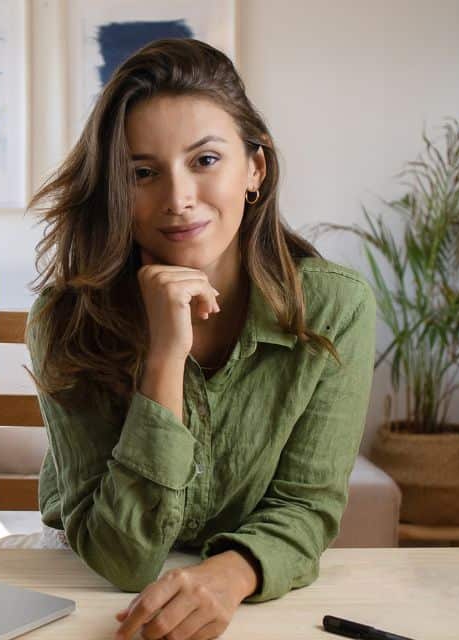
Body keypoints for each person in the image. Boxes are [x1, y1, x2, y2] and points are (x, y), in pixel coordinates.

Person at [22, 38, 377, 640]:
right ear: (115, 189)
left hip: (257, 605)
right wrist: (164, 355)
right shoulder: (65, 320)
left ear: (254, 170)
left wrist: (229, 576)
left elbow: (305, 509)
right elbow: (122, 558)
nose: (179, 199)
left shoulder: (335, 307)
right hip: (87, 596)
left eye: (205, 160)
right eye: (143, 173)